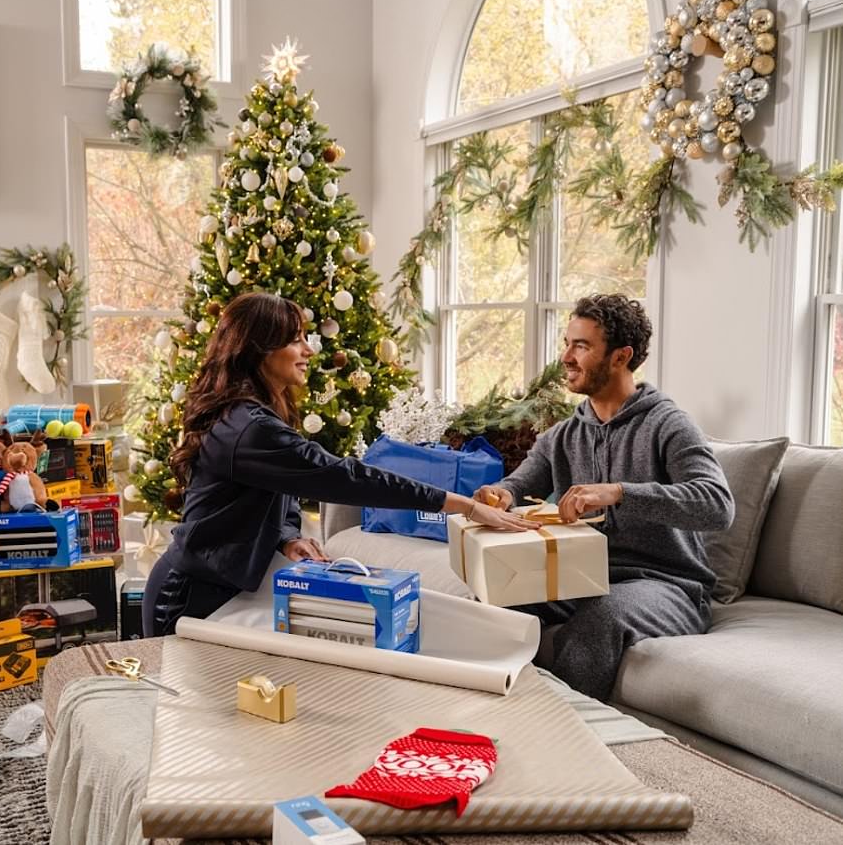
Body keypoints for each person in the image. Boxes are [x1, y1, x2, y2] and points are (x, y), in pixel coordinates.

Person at [143, 292, 531, 637]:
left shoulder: (254, 419)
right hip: (189, 601)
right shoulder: (248, 428)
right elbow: (345, 478)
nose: (309, 350)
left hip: (224, 591)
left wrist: (286, 539)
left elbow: (280, 495)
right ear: (260, 349)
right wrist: (464, 505)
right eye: (296, 340)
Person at [474, 293, 734, 702]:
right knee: (492, 601)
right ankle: (482, 718)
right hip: (584, 575)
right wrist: (498, 495)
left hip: (668, 586)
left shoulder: (669, 424)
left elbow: (716, 504)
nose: (566, 357)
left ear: (620, 357)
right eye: (567, 343)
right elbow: (519, 483)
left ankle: (561, 735)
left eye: (581, 345)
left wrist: (618, 493)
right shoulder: (564, 434)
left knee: (602, 618)